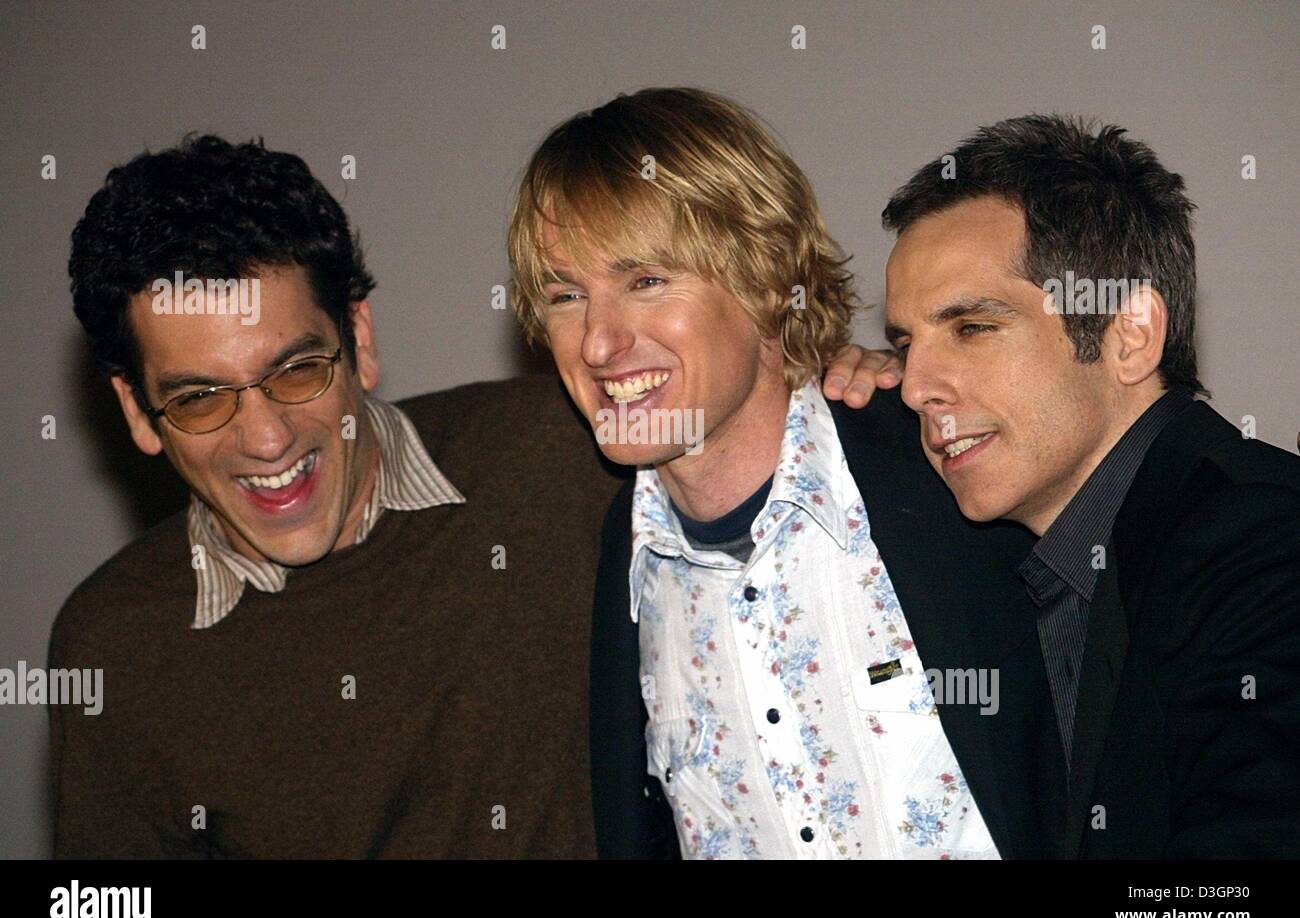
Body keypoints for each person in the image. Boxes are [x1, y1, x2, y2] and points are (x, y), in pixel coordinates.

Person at [52, 133, 883, 858]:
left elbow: (735, 378)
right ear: (137, 410)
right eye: (200, 398)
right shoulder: (117, 644)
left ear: (361, 340)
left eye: (298, 371)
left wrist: (870, 375)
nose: (266, 439)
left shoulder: (571, 449)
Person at [508, 88, 1052, 859]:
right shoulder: (616, 568)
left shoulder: (941, 461)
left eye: (647, 281)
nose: (598, 343)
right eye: (567, 295)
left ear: (765, 279)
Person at [881, 114, 1300, 857]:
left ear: (1129, 335)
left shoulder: (1266, 545)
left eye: (973, 327)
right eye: (906, 344)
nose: (915, 386)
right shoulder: (1016, 568)